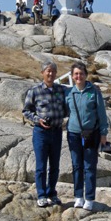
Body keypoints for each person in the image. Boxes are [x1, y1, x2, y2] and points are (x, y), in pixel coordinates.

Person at [22, 62, 67, 208]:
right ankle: (41, 195)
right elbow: (26, 111)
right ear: (42, 73)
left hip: (57, 132)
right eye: (48, 71)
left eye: (53, 71)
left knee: (55, 166)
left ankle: (51, 193)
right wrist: (38, 120)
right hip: (41, 132)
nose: (51, 74)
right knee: (41, 166)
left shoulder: (61, 90)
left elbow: (68, 107)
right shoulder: (34, 91)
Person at [66, 62, 109, 211]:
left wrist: (104, 133)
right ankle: (78, 196)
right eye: (76, 74)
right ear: (72, 76)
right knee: (77, 165)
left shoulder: (94, 91)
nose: (79, 76)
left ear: (86, 75)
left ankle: (89, 198)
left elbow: (102, 113)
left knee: (90, 166)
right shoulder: (69, 93)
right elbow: (64, 111)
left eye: (81, 73)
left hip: (92, 134)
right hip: (73, 134)